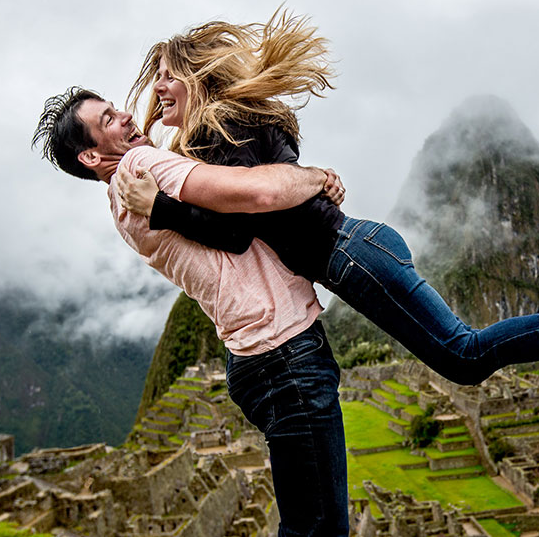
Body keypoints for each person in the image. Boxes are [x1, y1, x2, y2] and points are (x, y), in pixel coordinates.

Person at [118, 10, 539, 389]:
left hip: (349, 255)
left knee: (463, 356)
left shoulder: (220, 132)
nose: (157, 90)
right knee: (464, 357)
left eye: (168, 76)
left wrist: (160, 208)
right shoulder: (243, 120)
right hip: (359, 248)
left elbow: (238, 228)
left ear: (198, 75)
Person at [34, 88, 351, 536]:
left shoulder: (120, 199)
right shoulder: (139, 168)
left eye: (116, 110)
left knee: (312, 526)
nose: (125, 116)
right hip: (281, 352)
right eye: (108, 120)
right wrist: (317, 177)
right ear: (90, 157)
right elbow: (244, 214)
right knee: (320, 529)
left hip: (261, 355)